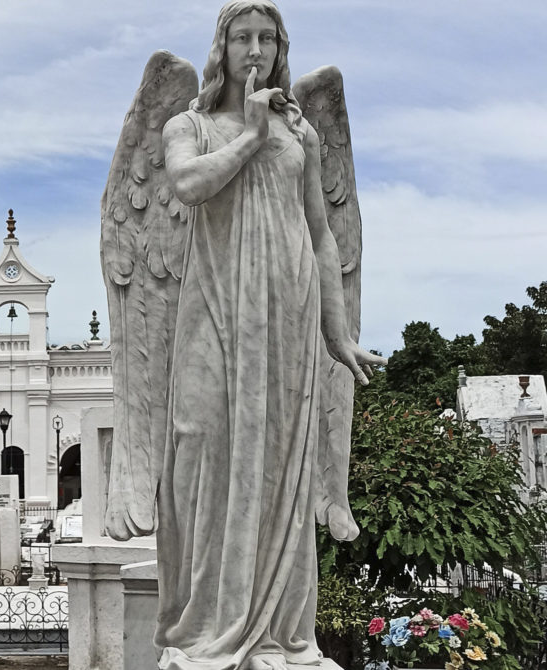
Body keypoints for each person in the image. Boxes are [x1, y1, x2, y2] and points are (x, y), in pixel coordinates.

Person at [154, 2, 383, 669]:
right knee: (202, 448)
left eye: (267, 38)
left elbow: (321, 234)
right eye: (241, 37)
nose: (254, 50)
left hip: (286, 310)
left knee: (277, 463)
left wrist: (337, 333)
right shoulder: (189, 125)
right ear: (220, 48)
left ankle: (278, 636)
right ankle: (205, 629)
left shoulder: (301, 134)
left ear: (280, 48)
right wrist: (252, 133)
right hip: (215, 306)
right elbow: (188, 184)